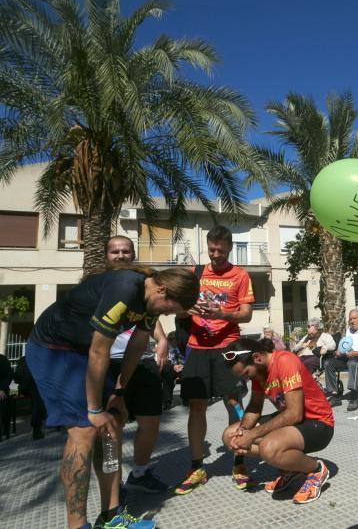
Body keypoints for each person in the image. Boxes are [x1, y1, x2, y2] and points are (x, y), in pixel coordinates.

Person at [25, 266, 197, 529]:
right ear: (162, 289)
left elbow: (137, 344)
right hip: (53, 348)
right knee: (84, 430)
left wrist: (118, 391)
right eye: (169, 308)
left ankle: (111, 516)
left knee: (112, 423)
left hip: (82, 351)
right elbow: (99, 350)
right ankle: (77, 525)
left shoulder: (150, 302)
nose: (166, 314)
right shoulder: (125, 289)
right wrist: (94, 409)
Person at [176, 225, 255, 495]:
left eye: (221, 250)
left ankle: (240, 460)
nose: (216, 254)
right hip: (197, 347)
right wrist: (187, 308)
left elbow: (246, 314)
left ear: (230, 248)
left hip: (228, 347)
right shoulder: (195, 273)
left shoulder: (240, 275)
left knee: (234, 402)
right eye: (212, 249)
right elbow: (177, 303)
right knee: (196, 407)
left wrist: (221, 313)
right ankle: (196, 467)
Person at [221, 338, 334, 504]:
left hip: (318, 424)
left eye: (245, 373)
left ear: (257, 357)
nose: (245, 379)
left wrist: (252, 435)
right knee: (230, 436)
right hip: (294, 423)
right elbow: (255, 405)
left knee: (269, 449)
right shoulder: (259, 371)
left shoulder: (285, 360)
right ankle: (292, 466)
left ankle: (316, 470)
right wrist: (243, 429)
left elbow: (294, 413)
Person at [102, 236, 171, 494]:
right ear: (106, 256)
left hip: (142, 362)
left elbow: (151, 317)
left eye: (125, 251)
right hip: (110, 365)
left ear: (133, 254)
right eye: (114, 251)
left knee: (151, 421)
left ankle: (139, 473)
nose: (120, 255)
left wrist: (162, 339)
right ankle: (113, 486)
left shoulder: (143, 283)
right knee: (111, 428)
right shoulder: (99, 284)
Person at [325, 309, 358, 412]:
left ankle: (354, 396)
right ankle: (335, 395)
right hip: (349, 357)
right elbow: (346, 347)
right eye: (350, 319)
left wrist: (356, 353)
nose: (352, 321)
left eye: (354, 318)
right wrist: (340, 352)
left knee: (352, 363)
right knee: (328, 363)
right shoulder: (349, 330)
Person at [12, 355, 47, 439]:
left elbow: (16, 377)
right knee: (37, 400)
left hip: (24, 388)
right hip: (32, 387)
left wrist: (14, 391)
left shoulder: (23, 359)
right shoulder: (39, 357)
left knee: (37, 399)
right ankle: (37, 427)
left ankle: (38, 424)